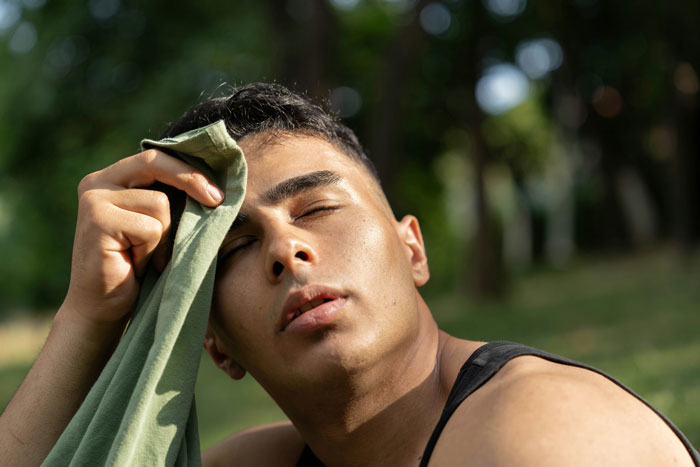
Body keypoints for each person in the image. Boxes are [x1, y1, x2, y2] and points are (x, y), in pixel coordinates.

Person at [0, 83, 697, 466]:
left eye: (318, 205)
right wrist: (86, 319)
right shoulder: (261, 465)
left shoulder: (540, 433)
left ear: (412, 249)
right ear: (215, 345)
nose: (286, 250)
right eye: (236, 247)